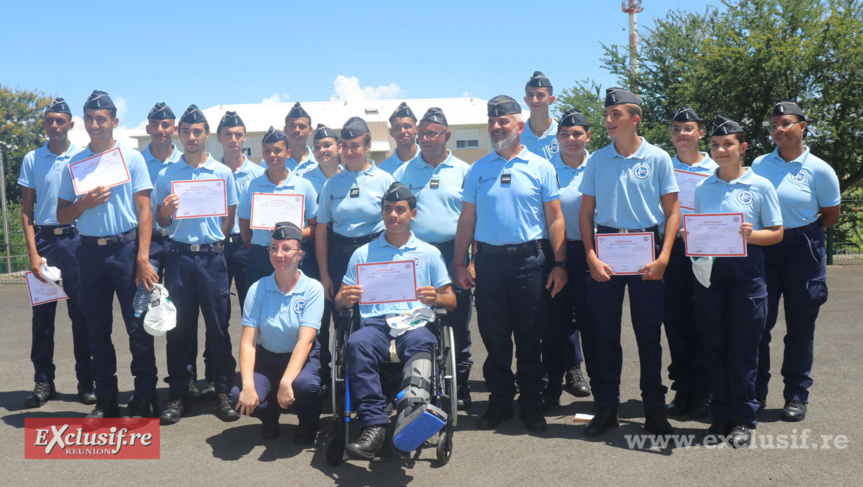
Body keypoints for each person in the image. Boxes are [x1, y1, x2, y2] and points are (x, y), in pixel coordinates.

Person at [453, 95, 567, 433]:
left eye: (503, 121)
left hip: (529, 262)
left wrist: (560, 263)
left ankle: (531, 403)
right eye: (492, 122)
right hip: (488, 264)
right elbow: (467, 220)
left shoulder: (541, 167)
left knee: (531, 335)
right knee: (494, 336)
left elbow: (556, 218)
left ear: (519, 126)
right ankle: (500, 401)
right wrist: (459, 264)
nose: (496, 127)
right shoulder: (479, 169)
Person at [577, 87, 679, 437]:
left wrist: (664, 257)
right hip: (606, 248)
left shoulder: (658, 158)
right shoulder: (597, 160)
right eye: (606, 114)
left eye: (615, 114)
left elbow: (672, 211)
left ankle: (654, 409)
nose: (607, 120)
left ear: (635, 118)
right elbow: (586, 212)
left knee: (648, 335)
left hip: (645, 249)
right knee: (605, 334)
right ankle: (607, 407)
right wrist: (590, 255)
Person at [335, 182, 456, 459]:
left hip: (413, 322)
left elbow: (452, 300)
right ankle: (374, 425)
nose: (393, 215)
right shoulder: (363, 254)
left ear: (412, 214)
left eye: (400, 210)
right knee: (356, 344)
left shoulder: (428, 253)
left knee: (424, 341)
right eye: (388, 209)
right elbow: (339, 301)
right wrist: (347, 298)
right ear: (382, 212)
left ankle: (411, 411)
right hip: (376, 324)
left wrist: (436, 298)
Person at [57, 90, 159, 418]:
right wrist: (82, 204)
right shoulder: (75, 164)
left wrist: (143, 258)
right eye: (88, 118)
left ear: (114, 121)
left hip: (127, 250)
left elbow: (145, 211)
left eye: (101, 119)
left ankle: (144, 396)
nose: (94, 124)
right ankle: (106, 399)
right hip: (89, 252)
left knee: (138, 326)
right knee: (96, 328)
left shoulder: (132, 158)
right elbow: (61, 216)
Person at [690, 115, 783, 447]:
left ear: (742, 148)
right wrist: (693, 237)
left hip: (747, 277)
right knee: (715, 349)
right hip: (712, 278)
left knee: (743, 350)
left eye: (727, 144)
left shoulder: (760, 186)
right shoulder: (704, 187)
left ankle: (743, 418)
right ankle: (720, 416)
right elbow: (703, 231)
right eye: (714, 145)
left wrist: (751, 233)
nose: (720, 150)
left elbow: (776, 233)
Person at [751, 100, 841, 422]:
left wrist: (804, 233)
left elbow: (830, 215)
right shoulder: (759, 164)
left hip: (803, 247)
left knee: (800, 327)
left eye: (785, 123)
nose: (778, 129)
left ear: (802, 126)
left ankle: (796, 395)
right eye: (774, 125)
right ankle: (755, 392)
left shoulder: (819, 169)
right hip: (765, 248)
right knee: (759, 324)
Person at [154, 105, 240, 424]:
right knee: (179, 329)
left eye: (198, 131)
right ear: (179, 133)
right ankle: (179, 393)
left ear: (207, 135)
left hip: (211, 257)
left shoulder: (222, 173)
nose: (192, 137)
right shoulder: (167, 174)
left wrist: (214, 238)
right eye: (186, 131)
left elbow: (228, 220)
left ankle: (221, 389)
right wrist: (166, 209)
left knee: (218, 327)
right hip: (178, 256)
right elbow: (162, 220)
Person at [393, 107, 474, 409]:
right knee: (417, 321)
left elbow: (474, 219)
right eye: (421, 133)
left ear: (446, 136)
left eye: (432, 133)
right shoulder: (403, 172)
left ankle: (460, 384)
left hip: (455, 253)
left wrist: (471, 260)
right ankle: (420, 381)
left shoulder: (465, 171)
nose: (424, 139)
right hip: (417, 255)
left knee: (457, 322)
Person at [19, 97, 93, 408]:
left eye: (60, 121)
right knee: (43, 317)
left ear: (71, 125)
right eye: (49, 120)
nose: (54, 126)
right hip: (46, 243)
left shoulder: (83, 157)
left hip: (77, 241)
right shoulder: (32, 159)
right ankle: (43, 382)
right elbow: (26, 211)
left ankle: (86, 381)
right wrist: (34, 254)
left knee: (82, 315)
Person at [229, 222, 325, 443]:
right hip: (267, 358)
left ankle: (308, 421)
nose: (279, 254)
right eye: (274, 248)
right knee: (236, 394)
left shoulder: (312, 289)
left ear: (299, 254)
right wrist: (248, 386)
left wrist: (286, 382)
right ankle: (269, 416)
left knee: (306, 386)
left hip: (300, 359)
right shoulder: (257, 288)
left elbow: (306, 341)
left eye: (286, 248)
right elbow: (248, 343)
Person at [315, 117, 396, 338]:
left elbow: (399, 224)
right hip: (341, 258)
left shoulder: (385, 181)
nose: (349, 152)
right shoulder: (331, 184)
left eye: (355, 146)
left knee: (377, 318)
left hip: (375, 256)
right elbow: (321, 230)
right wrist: (325, 275)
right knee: (343, 320)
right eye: (345, 146)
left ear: (368, 146)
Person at [663, 105, 717, 419]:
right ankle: (682, 388)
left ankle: (704, 391)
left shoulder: (716, 169)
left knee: (706, 324)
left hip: (707, 253)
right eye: (676, 130)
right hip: (671, 252)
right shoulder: (663, 169)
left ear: (699, 134)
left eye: (688, 129)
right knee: (676, 323)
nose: (681, 134)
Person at [542, 109, 594, 412]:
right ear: (557, 138)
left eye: (577, 134)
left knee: (591, 319)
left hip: (590, 250)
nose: (570, 139)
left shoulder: (599, 165)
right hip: (555, 251)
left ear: (587, 135)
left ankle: (578, 371)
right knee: (555, 320)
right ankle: (551, 384)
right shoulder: (545, 169)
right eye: (564, 134)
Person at [239, 127, 318, 287]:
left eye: (277, 150)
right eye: (267, 151)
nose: (272, 155)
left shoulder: (304, 186)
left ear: (288, 153)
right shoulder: (250, 187)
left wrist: (290, 235)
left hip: (293, 256)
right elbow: (245, 230)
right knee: (260, 306)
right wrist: (264, 249)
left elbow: (315, 227)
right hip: (261, 256)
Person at [140, 102, 182, 278]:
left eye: (165, 125)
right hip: (145, 240)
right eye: (155, 124)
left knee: (177, 299)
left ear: (174, 129)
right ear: (148, 128)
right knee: (147, 298)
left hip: (177, 239)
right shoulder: (136, 162)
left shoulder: (185, 162)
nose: (160, 130)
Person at [521, 71, 559, 160]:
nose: (534, 100)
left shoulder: (563, 134)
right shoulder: (517, 137)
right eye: (530, 95)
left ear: (551, 100)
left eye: (540, 95)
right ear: (525, 100)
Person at [378, 102, 418, 175]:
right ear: (391, 132)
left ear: (416, 129)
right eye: (397, 128)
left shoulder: (431, 161)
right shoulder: (383, 170)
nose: (402, 131)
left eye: (407, 126)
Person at [283, 102, 318, 176]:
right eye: (292, 126)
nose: (297, 130)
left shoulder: (319, 162)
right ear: (285, 130)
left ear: (310, 130)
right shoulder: (274, 161)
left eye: (302, 126)